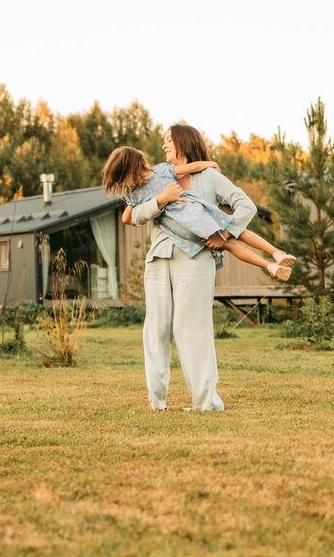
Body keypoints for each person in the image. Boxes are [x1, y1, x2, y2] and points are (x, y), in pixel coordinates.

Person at [121, 123, 259, 412]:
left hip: (195, 260)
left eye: (168, 140)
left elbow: (245, 206)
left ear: (184, 142)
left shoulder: (208, 177)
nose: (163, 146)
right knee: (156, 328)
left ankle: (206, 402)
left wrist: (225, 235)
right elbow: (133, 215)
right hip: (159, 258)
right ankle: (156, 401)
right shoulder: (153, 178)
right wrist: (160, 200)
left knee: (191, 328)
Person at [101, 146, 294, 280]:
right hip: (196, 212)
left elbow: (127, 218)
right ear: (140, 161)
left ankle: (271, 266)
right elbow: (194, 167)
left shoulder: (136, 195)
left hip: (184, 230)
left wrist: (132, 201)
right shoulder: (161, 171)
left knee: (229, 244)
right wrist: (210, 164)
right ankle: (275, 256)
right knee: (236, 233)